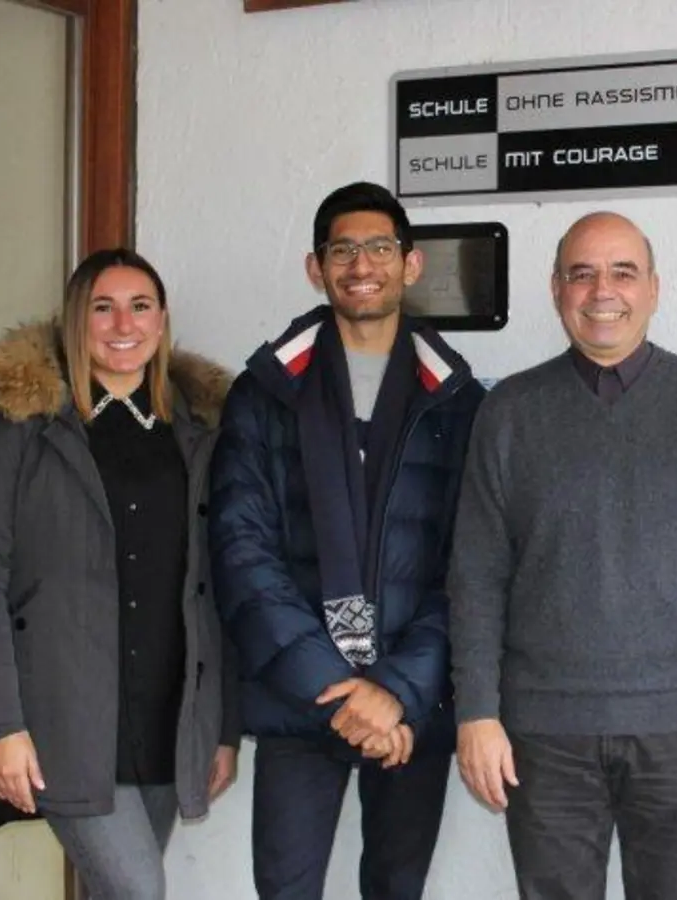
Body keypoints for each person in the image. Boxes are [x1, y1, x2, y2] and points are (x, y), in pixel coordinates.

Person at [447, 211, 677, 900]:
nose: (603, 290)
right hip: (543, 731)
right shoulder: (508, 412)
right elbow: (476, 576)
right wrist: (475, 712)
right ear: (556, 290)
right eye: (582, 274)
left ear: (654, 288)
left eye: (623, 272)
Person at [208, 181, 484, 900]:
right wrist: (335, 693)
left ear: (411, 264)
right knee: (285, 888)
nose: (362, 265)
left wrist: (395, 691)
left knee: (396, 887)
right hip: (300, 698)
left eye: (380, 248)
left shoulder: (459, 402)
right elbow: (242, 553)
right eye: (343, 250)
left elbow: (473, 567)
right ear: (316, 267)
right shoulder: (264, 393)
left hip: (410, 704)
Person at [0, 248, 240, 900]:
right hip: (61, 720)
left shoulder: (199, 430)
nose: (122, 325)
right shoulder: (20, 427)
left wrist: (220, 728)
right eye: (103, 308)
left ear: (161, 320)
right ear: (76, 320)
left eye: (140, 306)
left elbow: (216, 587)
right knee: (138, 891)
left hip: (168, 718)